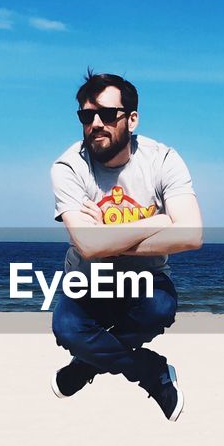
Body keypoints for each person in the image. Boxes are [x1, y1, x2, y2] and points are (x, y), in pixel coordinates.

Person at [49, 70, 203, 420]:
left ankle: (87, 364)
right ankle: (151, 372)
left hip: (147, 280)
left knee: (158, 310)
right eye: (87, 116)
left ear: (131, 119)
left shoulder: (162, 160)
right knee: (68, 329)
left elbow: (192, 235)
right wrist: (158, 222)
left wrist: (110, 237)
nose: (96, 123)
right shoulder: (69, 167)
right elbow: (88, 247)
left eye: (107, 114)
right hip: (89, 281)